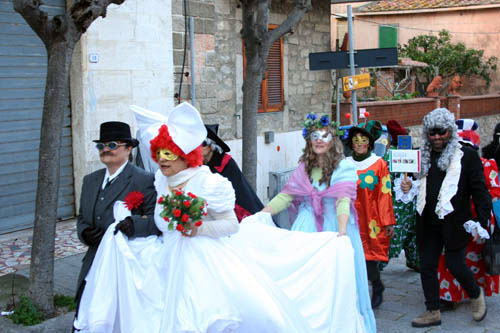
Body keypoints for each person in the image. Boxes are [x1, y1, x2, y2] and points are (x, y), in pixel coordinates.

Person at [74, 103, 367, 333]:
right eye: (159, 153)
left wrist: (195, 227)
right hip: (170, 257)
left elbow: (229, 225)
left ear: (184, 154)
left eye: (168, 154)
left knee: (208, 315)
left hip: (206, 260)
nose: (161, 160)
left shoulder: (208, 182)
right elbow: (162, 223)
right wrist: (169, 223)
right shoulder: (162, 182)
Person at [262, 113, 376, 333]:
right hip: (306, 226)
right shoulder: (303, 167)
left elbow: (343, 201)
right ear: (308, 140)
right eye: (314, 135)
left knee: (332, 282)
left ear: (332, 140)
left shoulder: (344, 168)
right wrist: (262, 214)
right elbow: (287, 196)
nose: (319, 140)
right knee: (304, 281)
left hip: (334, 227)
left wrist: (341, 234)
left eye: (324, 135)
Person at [411, 108, 492, 328]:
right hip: (427, 221)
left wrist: (482, 221)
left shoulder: (467, 155)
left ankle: (476, 295)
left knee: (456, 265)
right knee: (427, 265)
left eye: (442, 132)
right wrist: (407, 185)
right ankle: (433, 310)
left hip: (455, 222)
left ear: (450, 131)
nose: (437, 137)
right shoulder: (421, 155)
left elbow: (480, 190)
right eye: (432, 133)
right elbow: (413, 183)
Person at [75, 121, 160, 313]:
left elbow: (156, 220)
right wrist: (85, 233)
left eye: (112, 145)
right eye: (101, 145)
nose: (106, 149)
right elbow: (82, 217)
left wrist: (134, 224)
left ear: (128, 148)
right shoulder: (90, 180)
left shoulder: (144, 180)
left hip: (126, 267)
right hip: (93, 262)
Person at [437, 119, 500, 311]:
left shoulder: (487, 165)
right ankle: (449, 295)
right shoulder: (445, 165)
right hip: (451, 219)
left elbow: (495, 192)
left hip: (476, 221)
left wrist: (478, 207)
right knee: (448, 258)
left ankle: (473, 292)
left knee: (473, 260)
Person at [345, 122, 396, 310]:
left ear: (369, 143)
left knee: (368, 256)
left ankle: (376, 285)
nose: (359, 144)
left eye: (363, 140)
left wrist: (388, 221)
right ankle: (354, 291)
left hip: (371, 217)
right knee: (349, 254)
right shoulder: (345, 165)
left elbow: (385, 193)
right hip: (349, 216)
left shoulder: (379, 164)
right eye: (356, 140)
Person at [203, 124, 264, 221]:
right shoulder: (198, 165)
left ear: (211, 146)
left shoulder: (225, 162)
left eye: (203, 144)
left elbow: (240, 191)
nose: (198, 148)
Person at [383, 120, 420, 272]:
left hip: (410, 204)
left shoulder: (412, 155)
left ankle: (414, 259)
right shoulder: (388, 158)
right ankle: (377, 263)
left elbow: (419, 176)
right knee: (394, 235)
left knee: (412, 232)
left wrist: (412, 185)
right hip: (395, 205)